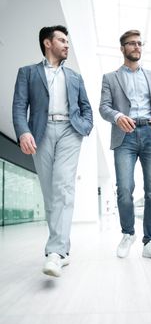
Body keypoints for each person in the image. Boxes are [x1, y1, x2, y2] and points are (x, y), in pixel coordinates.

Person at [12, 25, 93, 276]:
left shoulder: (75, 77)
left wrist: (85, 127)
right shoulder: (27, 73)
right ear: (48, 43)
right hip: (41, 132)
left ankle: (54, 252)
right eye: (61, 40)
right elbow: (18, 106)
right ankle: (63, 249)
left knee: (63, 187)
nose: (67, 44)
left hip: (70, 130)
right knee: (50, 194)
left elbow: (86, 107)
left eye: (67, 40)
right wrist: (23, 131)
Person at [99, 29, 151, 260]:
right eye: (132, 43)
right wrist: (118, 116)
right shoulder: (110, 78)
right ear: (122, 49)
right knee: (125, 189)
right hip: (124, 136)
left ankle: (150, 242)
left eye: (140, 43)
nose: (137, 47)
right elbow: (104, 107)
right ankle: (128, 233)